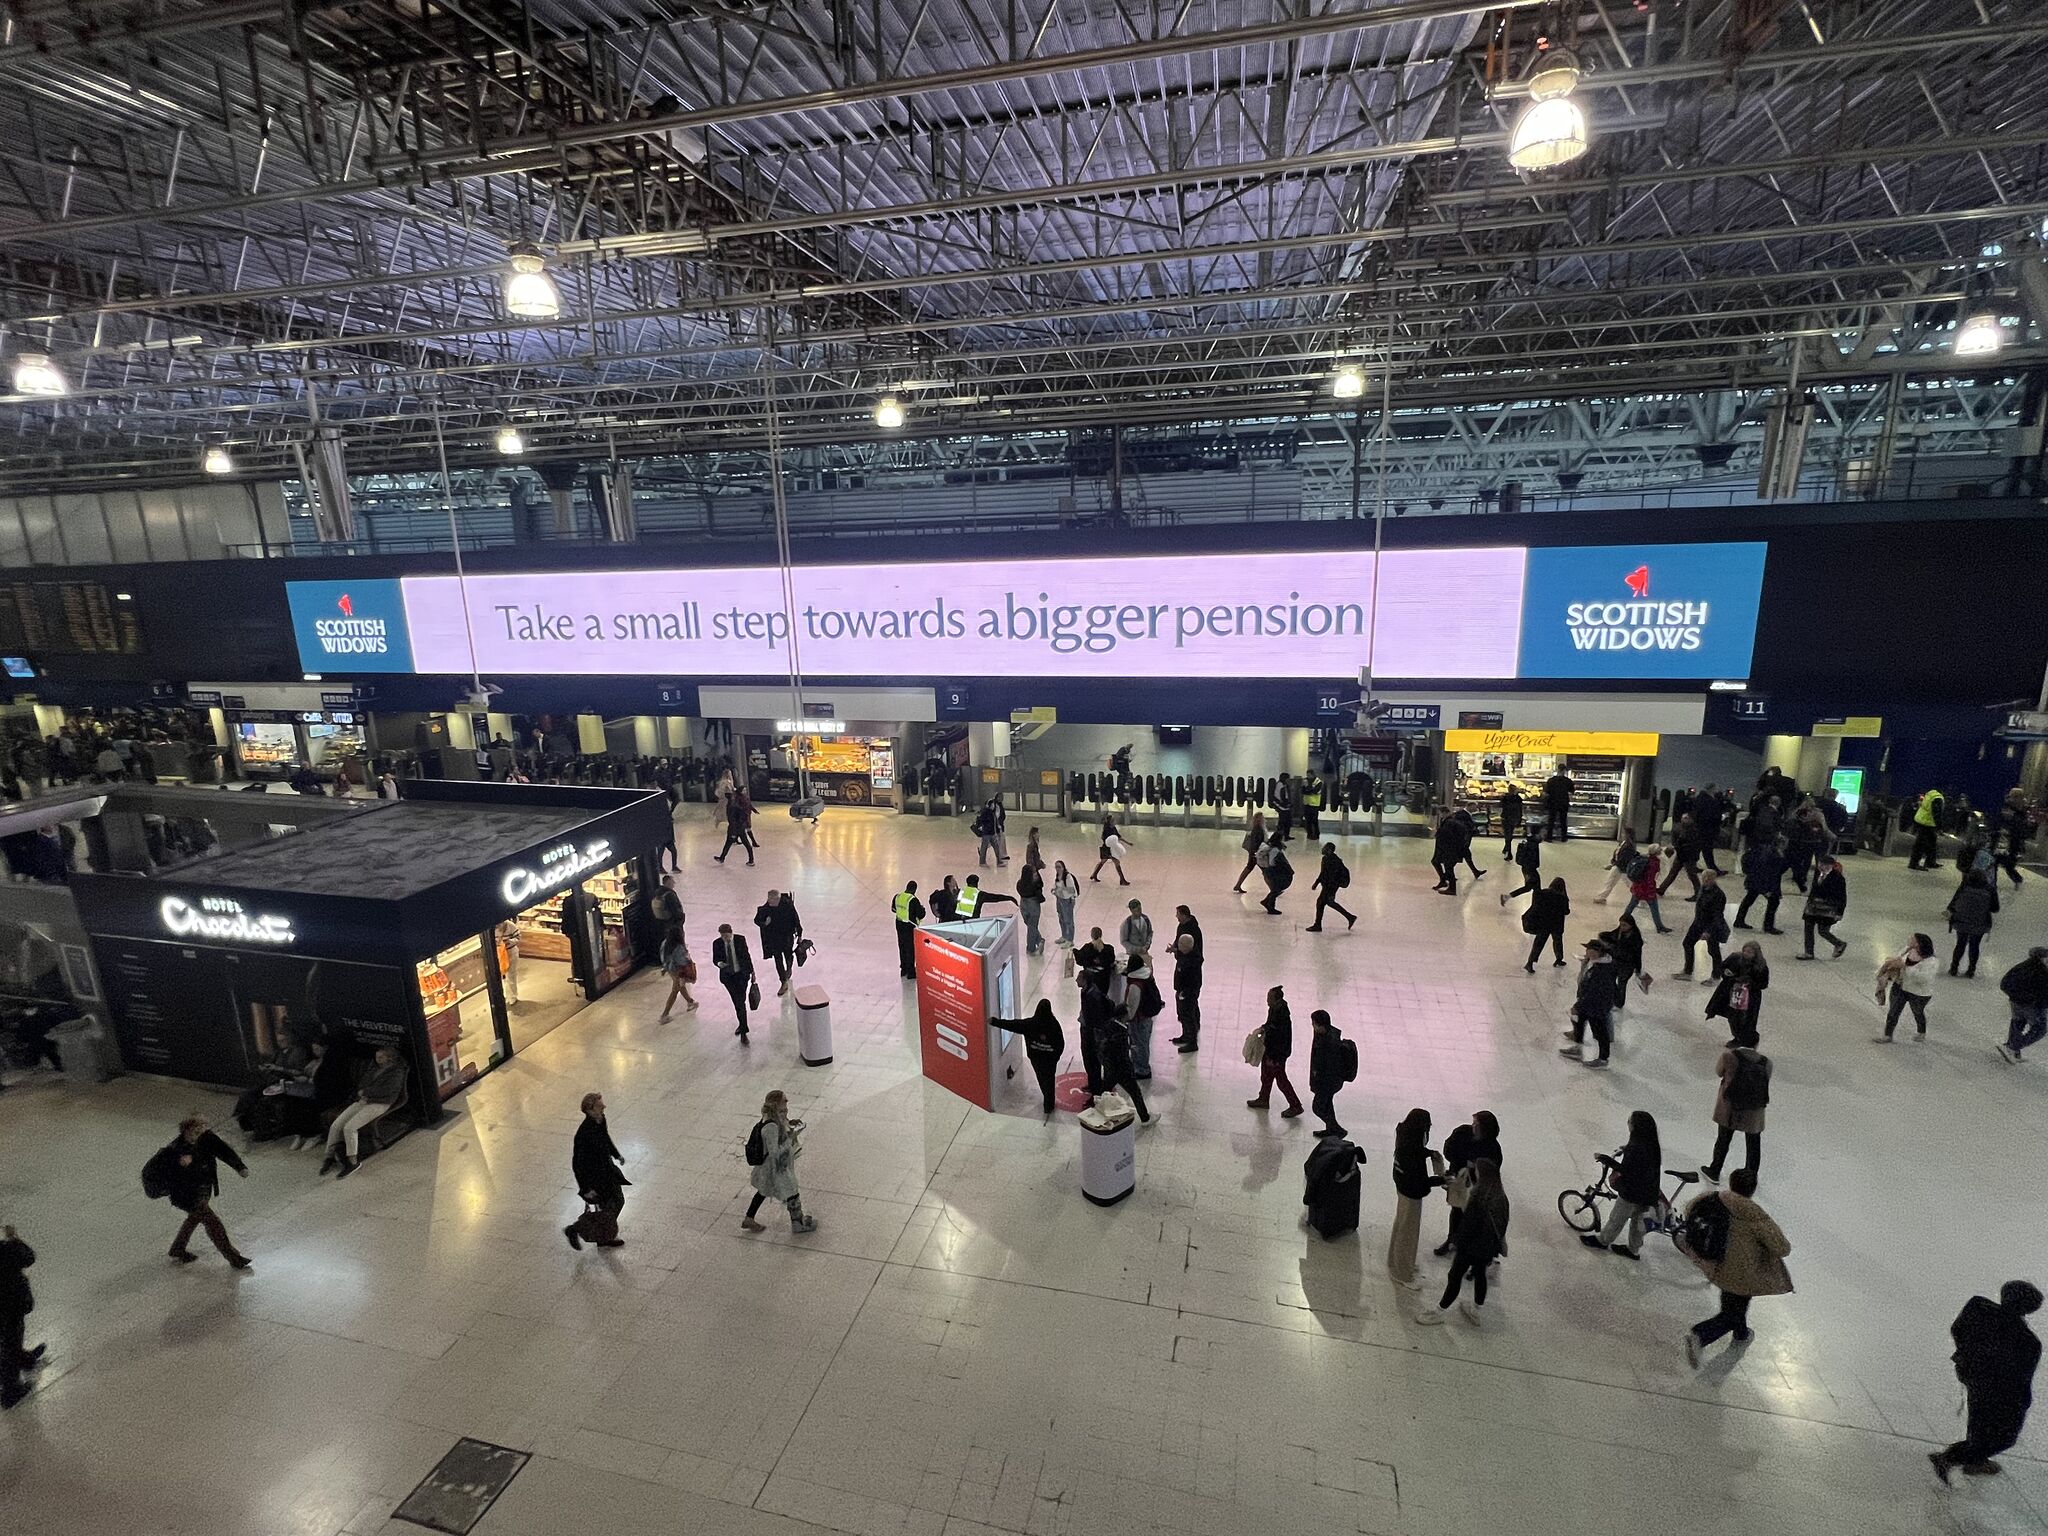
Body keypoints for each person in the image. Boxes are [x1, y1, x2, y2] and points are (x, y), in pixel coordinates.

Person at [1932, 1281, 2044, 1483]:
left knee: (1978, 1422)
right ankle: (1950, 1458)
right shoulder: (2027, 1342)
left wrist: (1966, 1355)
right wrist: (2022, 1403)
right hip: (2000, 1392)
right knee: (2004, 1437)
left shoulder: (1978, 1307)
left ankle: (1975, 1460)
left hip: (1973, 1376)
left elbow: (1958, 1328)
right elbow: (2021, 1378)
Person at [1683, 1167, 1791, 1366]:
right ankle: (1700, 1334)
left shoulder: (1713, 1198)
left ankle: (1741, 1335)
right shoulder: (1755, 1215)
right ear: (1752, 1189)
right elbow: (1782, 1247)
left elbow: (1689, 1210)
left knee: (1733, 1302)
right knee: (1733, 1311)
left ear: (1732, 1183)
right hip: (1742, 1272)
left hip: (1716, 1264)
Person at [147, 1115, 252, 1269]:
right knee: (213, 1223)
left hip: (203, 1189)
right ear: (186, 1130)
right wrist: (179, 1164)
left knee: (194, 1218)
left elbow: (224, 1151)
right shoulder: (175, 1150)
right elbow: (158, 1172)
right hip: (186, 1195)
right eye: (196, 1129)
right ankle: (234, 1258)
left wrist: (239, 1166)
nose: (201, 1131)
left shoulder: (207, 1138)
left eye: (202, 1128)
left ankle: (177, 1248)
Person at [1418, 1158, 1508, 1325]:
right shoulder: (1501, 1197)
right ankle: (1476, 1310)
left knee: (1454, 1276)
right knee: (1480, 1275)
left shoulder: (1478, 1197)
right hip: (1487, 1248)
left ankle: (1440, 1311)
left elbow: (1468, 1226)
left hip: (1470, 1248)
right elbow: (1502, 1226)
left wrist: (1459, 1244)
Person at [1581, 1111, 1662, 1259]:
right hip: (1649, 1191)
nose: (1628, 1123)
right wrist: (1626, 1148)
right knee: (1638, 1223)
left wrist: (1606, 1160)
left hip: (1632, 1192)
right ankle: (1633, 1250)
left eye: (1630, 1121)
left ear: (1636, 1127)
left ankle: (1603, 1241)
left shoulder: (1637, 1148)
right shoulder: (1650, 1142)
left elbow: (1627, 1171)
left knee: (1617, 1218)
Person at [318, 1045, 407, 1178]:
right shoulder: (374, 1068)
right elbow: (363, 1082)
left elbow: (388, 1090)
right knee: (336, 1125)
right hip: (364, 1100)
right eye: (377, 1057)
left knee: (350, 1128)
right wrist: (364, 1093)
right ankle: (329, 1156)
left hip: (379, 1103)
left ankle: (353, 1161)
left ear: (389, 1058)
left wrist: (366, 1092)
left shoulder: (397, 1072)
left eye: (380, 1057)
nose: (377, 1059)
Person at [741, 1090, 817, 1233]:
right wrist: (788, 1141)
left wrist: (791, 1125)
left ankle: (749, 1218)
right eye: (784, 1100)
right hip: (775, 1167)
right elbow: (774, 1151)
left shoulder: (775, 1116)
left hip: (774, 1167)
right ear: (777, 1103)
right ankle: (798, 1223)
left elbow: (783, 1125)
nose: (787, 1101)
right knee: (792, 1190)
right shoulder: (771, 1126)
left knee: (763, 1191)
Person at [563, 1091, 629, 1249]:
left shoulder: (600, 1120)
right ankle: (576, 1229)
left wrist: (616, 1154)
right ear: (590, 1110)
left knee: (616, 1202)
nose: (604, 1107)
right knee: (606, 1208)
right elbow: (577, 1164)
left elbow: (605, 1137)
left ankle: (602, 1235)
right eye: (600, 1106)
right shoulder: (584, 1134)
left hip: (607, 1171)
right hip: (595, 1179)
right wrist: (586, 1188)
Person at [1432, 1111, 1503, 1257]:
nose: (1473, 1127)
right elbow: (1448, 1150)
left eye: (1477, 1124)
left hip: (1477, 1189)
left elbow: (1492, 1172)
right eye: (1474, 1123)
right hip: (1459, 1181)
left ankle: (1473, 1250)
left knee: (1475, 1217)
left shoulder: (1492, 1148)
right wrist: (1465, 1163)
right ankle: (1452, 1239)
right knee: (1456, 1210)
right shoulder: (1463, 1133)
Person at [1387, 1110, 1442, 1290]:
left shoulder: (1404, 1135)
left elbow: (1414, 1150)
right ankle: (1402, 1272)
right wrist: (1440, 1180)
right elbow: (1419, 1179)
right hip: (1411, 1192)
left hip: (1401, 1185)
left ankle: (1394, 1260)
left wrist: (1428, 1153)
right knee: (1408, 1232)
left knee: (1401, 1223)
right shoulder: (1412, 1154)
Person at [1701, 1042, 1770, 1183]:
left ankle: (1715, 1170)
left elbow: (1719, 1072)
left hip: (1732, 1108)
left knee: (1723, 1139)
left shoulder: (1729, 1057)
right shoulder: (1767, 1063)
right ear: (1756, 1043)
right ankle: (1750, 1176)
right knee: (1753, 1144)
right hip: (1754, 1109)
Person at [1088, 977, 1151, 1124]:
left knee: (1104, 1088)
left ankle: (1094, 1108)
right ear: (1123, 1016)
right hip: (1122, 1069)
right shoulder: (1121, 1033)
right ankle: (1145, 1118)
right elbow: (1120, 1053)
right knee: (1135, 1093)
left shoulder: (1110, 1025)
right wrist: (1129, 1056)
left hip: (1110, 1067)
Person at [994, 999, 1066, 1115]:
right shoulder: (1054, 1025)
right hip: (1049, 1061)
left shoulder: (1030, 1024)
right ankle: (1049, 1103)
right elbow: (1060, 1044)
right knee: (1049, 1080)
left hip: (1036, 1059)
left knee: (1041, 1079)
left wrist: (995, 1022)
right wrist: (1055, 1057)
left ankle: (1048, 1101)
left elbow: (1013, 1025)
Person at [1246, 985, 1304, 1117]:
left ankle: (1295, 1105)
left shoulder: (1279, 1012)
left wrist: (1265, 1032)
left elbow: (1276, 1033)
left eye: (1269, 997)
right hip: (1273, 1050)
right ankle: (1263, 1098)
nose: (1267, 1000)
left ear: (1275, 999)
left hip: (1276, 1053)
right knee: (1266, 1075)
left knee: (1281, 1079)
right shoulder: (1277, 1009)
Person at [0, 1224, 41, 1409]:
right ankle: (10, 1390)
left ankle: (23, 1359)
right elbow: (28, 1257)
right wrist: (14, 1239)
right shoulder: (5, 1250)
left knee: (7, 1339)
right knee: (11, 1339)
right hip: (9, 1303)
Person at [1558, 937, 1616, 1067]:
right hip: (1588, 1000)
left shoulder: (1602, 969)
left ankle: (1603, 1058)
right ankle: (1577, 1047)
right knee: (1578, 1019)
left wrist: (1579, 1005)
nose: (1586, 952)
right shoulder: (1595, 962)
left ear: (1596, 952)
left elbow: (1594, 990)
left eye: (1588, 950)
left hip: (1596, 1004)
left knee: (1600, 1030)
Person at [1876, 932, 1938, 1041]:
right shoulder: (1907, 950)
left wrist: (1905, 967)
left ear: (1918, 944)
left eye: (1912, 939)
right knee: (1893, 1011)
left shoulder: (1931, 961)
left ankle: (1921, 1031)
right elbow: (1899, 960)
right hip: (1900, 986)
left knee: (1918, 1012)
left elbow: (1923, 978)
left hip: (1918, 993)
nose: (1909, 939)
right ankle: (1887, 1035)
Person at [1705, 944, 1769, 1047]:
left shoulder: (1761, 966)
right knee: (1733, 1016)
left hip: (1750, 997)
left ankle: (1748, 1039)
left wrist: (1749, 982)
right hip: (1733, 993)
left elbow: (1763, 984)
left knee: (1747, 1019)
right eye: (1745, 951)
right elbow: (1722, 967)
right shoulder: (1735, 958)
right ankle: (1736, 1037)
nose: (1746, 954)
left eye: (1749, 952)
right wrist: (1726, 973)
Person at [1116, 952, 1164, 1079]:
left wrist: (1126, 1019)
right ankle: (1139, 1065)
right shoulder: (1146, 976)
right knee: (1142, 1043)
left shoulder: (1135, 985)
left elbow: (1132, 1007)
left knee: (1139, 1044)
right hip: (1146, 1018)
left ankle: (1143, 1070)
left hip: (1139, 1020)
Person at [1676, 868, 1730, 981]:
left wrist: (1709, 931)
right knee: (1687, 943)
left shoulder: (1718, 895)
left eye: (1709, 878)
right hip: (1698, 922)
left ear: (1714, 879)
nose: (1706, 880)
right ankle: (1688, 971)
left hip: (1711, 925)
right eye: (1704, 877)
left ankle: (1716, 975)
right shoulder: (1703, 889)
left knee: (1713, 950)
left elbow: (1717, 915)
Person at [1307, 1010, 1352, 1139]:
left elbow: (1328, 1067)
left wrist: (1319, 1083)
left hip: (1327, 1082)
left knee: (1318, 1107)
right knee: (1327, 1105)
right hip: (1328, 1081)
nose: (1313, 1026)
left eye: (1314, 1023)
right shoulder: (1327, 1035)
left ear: (1321, 1025)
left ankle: (1335, 1129)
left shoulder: (1328, 1043)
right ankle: (1331, 1129)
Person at [1945, 869, 1999, 978]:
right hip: (1980, 923)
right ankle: (1971, 970)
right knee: (1974, 945)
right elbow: (1995, 908)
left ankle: (1954, 968)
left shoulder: (1965, 887)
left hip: (1961, 921)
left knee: (1960, 944)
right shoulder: (1990, 889)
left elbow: (1952, 904)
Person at [1998, 947, 2048, 1064]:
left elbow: (2004, 982)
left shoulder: (2022, 966)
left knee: (2018, 1022)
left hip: (2016, 1001)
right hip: (2032, 1005)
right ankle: (2013, 1047)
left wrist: (2014, 996)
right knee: (2040, 1029)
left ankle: (2012, 1050)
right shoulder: (2041, 972)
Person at [1798, 852, 1849, 960]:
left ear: (1830, 866)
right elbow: (1814, 889)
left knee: (1823, 931)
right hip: (1813, 907)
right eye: (1820, 864)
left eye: (1824, 865)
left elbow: (1842, 897)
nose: (1821, 867)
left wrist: (1840, 913)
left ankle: (1839, 943)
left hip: (1828, 908)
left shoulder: (1838, 878)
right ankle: (1809, 952)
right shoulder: (1818, 873)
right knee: (1808, 927)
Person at [1734, 835, 1789, 934]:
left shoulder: (1762, 850)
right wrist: (1768, 889)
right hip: (1763, 883)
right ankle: (1768, 926)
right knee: (1774, 902)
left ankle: (1739, 920)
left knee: (1749, 899)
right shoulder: (1775, 856)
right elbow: (1772, 873)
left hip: (1754, 880)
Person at [712, 923, 756, 1041]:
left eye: (726, 936)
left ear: (731, 933)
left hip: (741, 975)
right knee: (738, 1003)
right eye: (722, 936)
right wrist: (719, 964)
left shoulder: (740, 940)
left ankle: (743, 1028)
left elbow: (747, 956)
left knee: (740, 1002)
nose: (725, 939)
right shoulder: (717, 943)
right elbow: (715, 959)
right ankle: (743, 1027)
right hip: (728, 978)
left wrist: (752, 973)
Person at [1600, 913, 1649, 1014]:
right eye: (1621, 924)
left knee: (1622, 984)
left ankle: (1619, 1003)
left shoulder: (1635, 938)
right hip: (1616, 962)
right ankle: (1613, 999)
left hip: (1627, 966)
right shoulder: (1618, 932)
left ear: (1631, 925)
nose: (1622, 927)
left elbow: (1637, 954)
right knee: (1611, 980)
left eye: (1624, 925)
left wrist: (1638, 969)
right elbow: (1610, 936)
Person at [1520, 877, 1570, 973]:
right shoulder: (1562, 897)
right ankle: (1559, 959)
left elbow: (1535, 906)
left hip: (1543, 923)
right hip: (1556, 924)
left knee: (1539, 943)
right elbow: (1566, 911)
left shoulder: (1542, 893)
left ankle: (1530, 962)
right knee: (1557, 941)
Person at [1620, 845, 1671, 933]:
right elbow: (1651, 877)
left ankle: (1623, 921)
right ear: (1656, 852)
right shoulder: (1654, 862)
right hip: (1648, 889)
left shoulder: (1642, 859)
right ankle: (1659, 926)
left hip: (1637, 887)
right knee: (1654, 908)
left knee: (1631, 906)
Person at [1307, 843, 1357, 931]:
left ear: (1329, 850)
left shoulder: (1332, 860)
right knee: (1325, 903)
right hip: (1329, 885)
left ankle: (1318, 925)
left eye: (1325, 848)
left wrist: (1320, 884)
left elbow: (1327, 875)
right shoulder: (1328, 858)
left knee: (1322, 902)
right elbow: (1323, 873)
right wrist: (1317, 883)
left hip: (1330, 886)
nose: (1323, 849)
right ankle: (1350, 917)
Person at [657, 913, 698, 1019]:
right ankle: (665, 1014)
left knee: (681, 986)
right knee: (675, 991)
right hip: (679, 972)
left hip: (671, 970)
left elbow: (662, 956)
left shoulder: (665, 943)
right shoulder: (679, 948)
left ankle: (690, 1002)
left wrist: (665, 967)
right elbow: (682, 961)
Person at [1169, 933, 1203, 1054]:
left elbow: (1193, 981)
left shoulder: (1192, 962)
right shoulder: (1186, 955)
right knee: (1183, 1015)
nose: (1178, 946)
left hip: (1187, 993)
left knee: (1188, 1016)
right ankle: (1185, 1035)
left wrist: (1185, 993)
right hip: (1182, 991)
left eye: (1180, 944)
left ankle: (1192, 1042)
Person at [1659, 815, 1705, 902]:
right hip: (1684, 856)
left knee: (1691, 875)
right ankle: (1662, 889)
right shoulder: (1691, 831)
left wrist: (1675, 847)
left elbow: (1683, 845)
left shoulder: (1688, 832)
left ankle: (1698, 893)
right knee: (1674, 873)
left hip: (1687, 857)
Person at [1994, 788, 2031, 890]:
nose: (2013, 798)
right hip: (2002, 838)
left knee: (2008, 864)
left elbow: (2022, 827)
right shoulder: (2006, 807)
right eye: (2012, 796)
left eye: (2015, 796)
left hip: (2012, 841)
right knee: (1994, 862)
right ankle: (1992, 882)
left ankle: (2018, 879)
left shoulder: (2021, 809)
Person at [1430, 809, 1470, 895]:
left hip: (1449, 848)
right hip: (1447, 848)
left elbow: (1447, 835)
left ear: (1445, 813)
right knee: (1437, 862)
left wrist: (1438, 833)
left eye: (1440, 813)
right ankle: (1443, 881)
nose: (1440, 816)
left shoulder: (1450, 823)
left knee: (1448, 867)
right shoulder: (1450, 821)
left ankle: (1452, 888)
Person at [1499, 829, 1542, 906]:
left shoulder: (1529, 842)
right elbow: (1532, 859)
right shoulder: (1532, 845)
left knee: (1532, 888)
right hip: (1529, 869)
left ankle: (1536, 905)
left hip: (1527, 869)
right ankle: (1536, 905)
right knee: (1532, 888)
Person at [1593, 827, 1637, 904]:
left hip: (1621, 867)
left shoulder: (1629, 846)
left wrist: (1613, 864)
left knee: (1612, 881)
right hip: (1620, 867)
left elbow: (1624, 858)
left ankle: (1601, 897)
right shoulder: (1624, 843)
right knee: (1626, 883)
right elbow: (1617, 853)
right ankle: (1601, 897)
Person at [715, 786, 757, 865]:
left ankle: (722, 858)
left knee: (739, 843)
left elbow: (734, 819)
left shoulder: (734, 805)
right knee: (735, 843)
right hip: (740, 827)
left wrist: (734, 832)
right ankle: (722, 858)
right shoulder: (740, 802)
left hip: (736, 828)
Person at [892, 880, 926, 977]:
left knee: (902, 945)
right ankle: (911, 972)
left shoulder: (897, 896)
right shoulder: (913, 900)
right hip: (909, 926)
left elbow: (893, 909)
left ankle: (904, 969)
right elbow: (920, 914)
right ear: (915, 889)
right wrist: (923, 909)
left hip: (899, 924)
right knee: (910, 948)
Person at [1908, 786, 1946, 870]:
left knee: (1932, 843)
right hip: (1926, 823)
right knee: (1921, 844)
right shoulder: (1938, 798)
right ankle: (1913, 864)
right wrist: (1939, 827)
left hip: (1922, 820)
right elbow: (1937, 813)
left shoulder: (1931, 793)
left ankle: (1930, 862)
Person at [1257, 830, 1293, 915]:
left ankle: (1267, 903)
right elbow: (1272, 862)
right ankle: (1270, 906)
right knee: (1276, 889)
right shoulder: (1275, 850)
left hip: (1272, 871)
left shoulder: (1272, 847)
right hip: (1275, 872)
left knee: (1275, 889)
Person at [1232, 812, 1269, 894]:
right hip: (1257, 853)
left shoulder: (1256, 828)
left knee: (1249, 868)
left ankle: (1238, 885)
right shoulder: (1258, 829)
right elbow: (1257, 842)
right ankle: (1273, 888)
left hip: (1254, 853)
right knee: (1266, 870)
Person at [1693, 783, 1726, 872]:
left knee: (1698, 848)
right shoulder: (1710, 801)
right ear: (1712, 789)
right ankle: (1712, 869)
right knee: (1707, 849)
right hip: (1708, 828)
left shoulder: (1699, 798)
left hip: (1700, 827)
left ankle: (1692, 866)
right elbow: (1713, 815)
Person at [1015, 860, 1046, 954]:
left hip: (1023, 904)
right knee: (1032, 926)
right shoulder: (1034, 884)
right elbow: (1040, 892)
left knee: (1029, 924)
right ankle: (1034, 945)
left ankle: (1034, 944)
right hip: (1033, 904)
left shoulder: (1019, 883)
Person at [1073, 927, 1117, 992]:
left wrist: (1074, 951)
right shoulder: (1109, 949)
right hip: (1104, 980)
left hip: (1090, 981)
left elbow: (1080, 961)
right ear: (1101, 935)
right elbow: (1111, 961)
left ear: (1091, 935)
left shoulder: (1086, 948)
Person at [1091, 814, 1131, 884]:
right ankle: (1122, 880)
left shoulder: (1114, 828)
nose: (1115, 821)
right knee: (1116, 862)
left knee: (1103, 862)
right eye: (1113, 820)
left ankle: (1094, 874)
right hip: (1107, 849)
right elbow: (1104, 838)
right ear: (1110, 821)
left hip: (1111, 849)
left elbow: (1118, 837)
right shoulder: (1107, 829)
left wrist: (1128, 843)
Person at [973, 797, 1008, 866]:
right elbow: (981, 821)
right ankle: (982, 862)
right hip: (986, 833)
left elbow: (995, 822)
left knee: (996, 847)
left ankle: (999, 861)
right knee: (984, 848)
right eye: (992, 805)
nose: (993, 806)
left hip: (992, 833)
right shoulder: (985, 812)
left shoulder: (992, 812)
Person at [1051, 861, 1080, 946]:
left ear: (1063, 867)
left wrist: (1072, 898)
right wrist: (1054, 890)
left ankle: (1070, 939)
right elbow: (1056, 885)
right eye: (1056, 867)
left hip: (1067, 900)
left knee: (1069, 920)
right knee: (1061, 918)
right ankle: (1064, 936)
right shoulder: (1058, 876)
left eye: (1059, 867)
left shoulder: (1067, 876)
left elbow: (1072, 889)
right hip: (1059, 899)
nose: (1058, 869)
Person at [1541, 767, 1574, 841]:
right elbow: (1571, 792)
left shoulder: (1551, 780)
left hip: (1553, 802)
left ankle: (1549, 837)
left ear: (1558, 770)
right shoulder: (1568, 781)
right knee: (1563, 820)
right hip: (1563, 803)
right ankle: (1564, 837)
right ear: (1564, 771)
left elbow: (1546, 792)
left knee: (1551, 820)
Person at [1497, 785, 1524, 859]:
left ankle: (1508, 851)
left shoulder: (1505, 797)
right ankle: (1507, 850)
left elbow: (1500, 805)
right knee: (1509, 834)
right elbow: (1520, 809)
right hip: (1514, 818)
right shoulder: (1518, 798)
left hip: (1506, 818)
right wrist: (1520, 819)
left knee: (1507, 835)